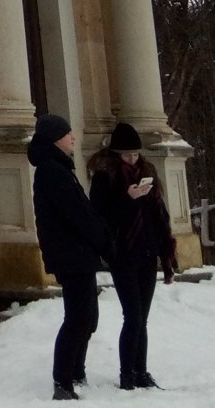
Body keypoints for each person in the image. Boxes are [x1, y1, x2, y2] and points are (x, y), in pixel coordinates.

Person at [89, 121, 178, 390]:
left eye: (135, 154)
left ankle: (142, 371)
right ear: (116, 154)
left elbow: (159, 218)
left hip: (147, 252)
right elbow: (101, 218)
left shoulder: (147, 172)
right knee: (133, 316)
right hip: (122, 254)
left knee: (143, 318)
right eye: (127, 155)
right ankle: (127, 373)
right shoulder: (106, 177)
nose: (132, 159)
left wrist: (167, 255)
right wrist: (128, 199)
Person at [30, 112, 110, 401]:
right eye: (67, 134)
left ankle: (76, 371)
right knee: (77, 317)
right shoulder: (52, 171)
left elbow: (81, 211)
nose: (73, 138)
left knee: (87, 316)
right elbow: (76, 214)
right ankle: (63, 380)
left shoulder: (59, 167)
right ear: (55, 139)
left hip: (78, 253)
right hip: (71, 254)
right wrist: (102, 239)